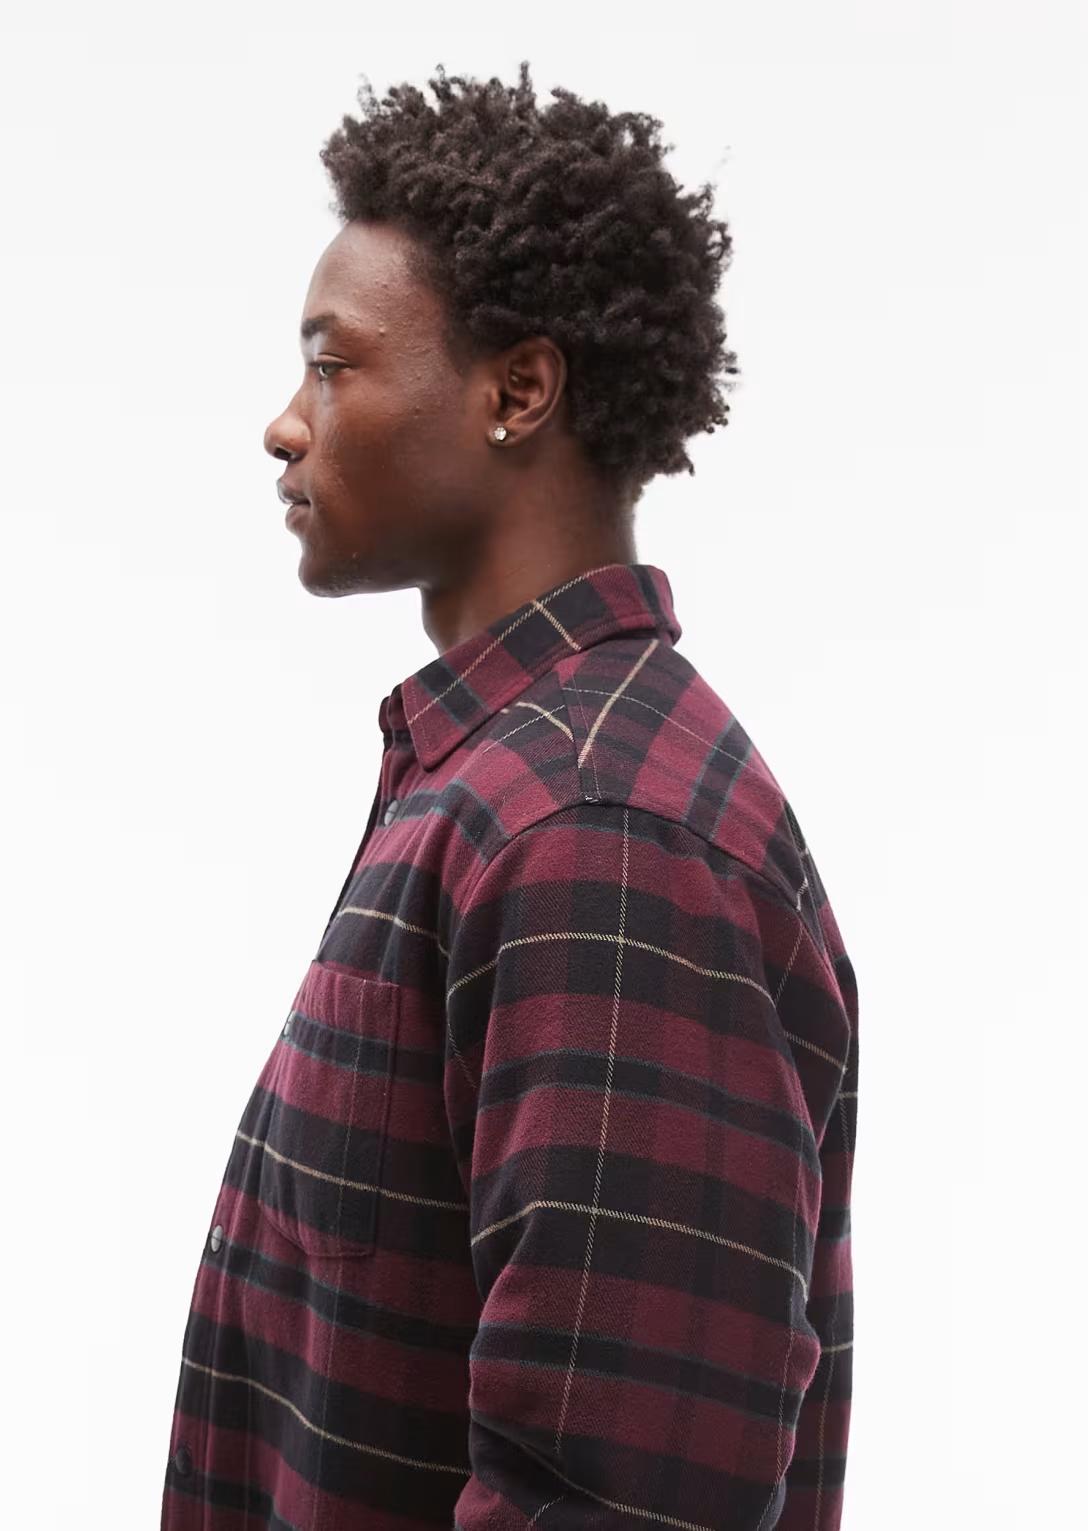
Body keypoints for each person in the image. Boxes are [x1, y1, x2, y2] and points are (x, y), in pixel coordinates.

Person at [160, 61, 859, 1531]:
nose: (285, 425)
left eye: (333, 366)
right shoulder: (501, 784)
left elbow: (617, 1500)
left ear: (517, 392)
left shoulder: (599, 834)